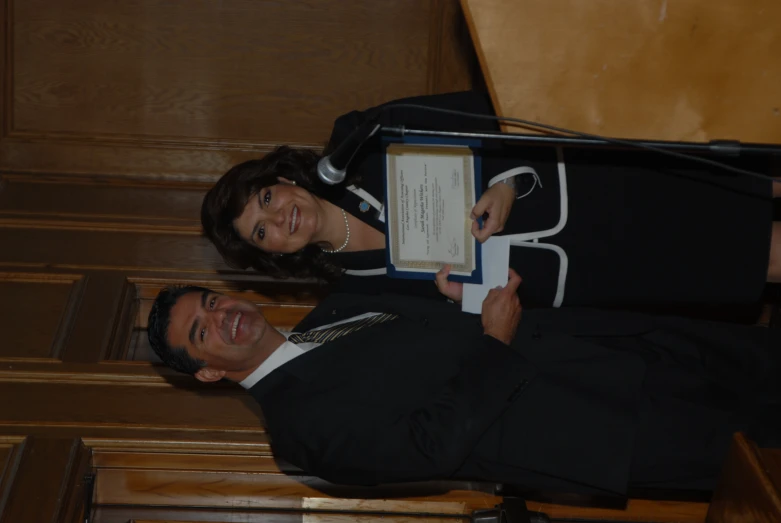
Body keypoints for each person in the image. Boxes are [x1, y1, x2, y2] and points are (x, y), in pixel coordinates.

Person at [147, 275, 781, 495]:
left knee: (762, 359)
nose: (222, 315)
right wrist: (494, 344)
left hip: (603, 341)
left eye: (210, 300)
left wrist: (456, 293)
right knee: (764, 445)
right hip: (595, 421)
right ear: (207, 371)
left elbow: (434, 321)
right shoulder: (296, 435)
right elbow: (430, 447)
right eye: (202, 331)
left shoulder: (333, 310)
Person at [201, 91, 781, 309]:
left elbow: (488, 109)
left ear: (286, 180)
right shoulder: (355, 289)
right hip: (584, 278)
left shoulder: (360, 140)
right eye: (261, 231)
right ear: (272, 254)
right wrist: (461, 303)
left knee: (748, 191)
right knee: (758, 261)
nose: (279, 217)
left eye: (267, 198)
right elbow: (459, 330)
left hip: (602, 192)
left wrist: (505, 183)